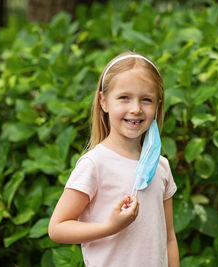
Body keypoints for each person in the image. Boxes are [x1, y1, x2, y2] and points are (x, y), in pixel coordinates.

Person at [48, 52, 179, 267]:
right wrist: (110, 226)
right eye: (124, 97)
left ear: (157, 105)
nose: (136, 108)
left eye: (146, 100)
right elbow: (58, 228)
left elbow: (169, 237)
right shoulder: (95, 164)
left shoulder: (161, 166)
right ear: (104, 101)